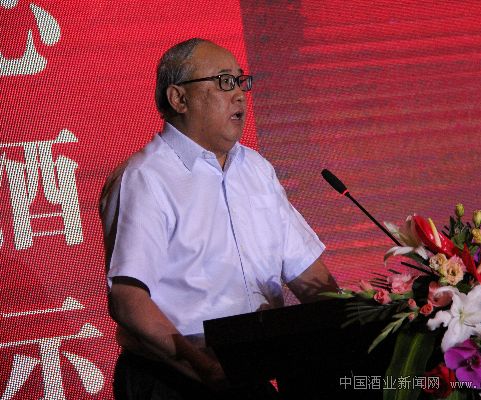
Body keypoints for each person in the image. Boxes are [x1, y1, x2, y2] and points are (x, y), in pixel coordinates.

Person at [99, 38, 339, 400]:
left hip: (247, 374)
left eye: (241, 81)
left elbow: (310, 278)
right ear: (179, 98)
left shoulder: (256, 169)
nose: (240, 94)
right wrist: (204, 367)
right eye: (224, 81)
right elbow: (128, 300)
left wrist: (360, 325)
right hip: (175, 379)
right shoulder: (145, 178)